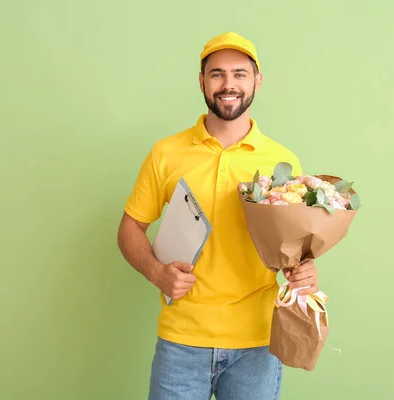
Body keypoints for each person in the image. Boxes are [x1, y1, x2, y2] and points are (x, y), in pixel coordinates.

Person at [117, 32, 319, 400]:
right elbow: (130, 226)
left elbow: (293, 248)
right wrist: (156, 272)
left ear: (257, 81)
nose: (229, 85)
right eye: (217, 74)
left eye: (240, 74)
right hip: (181, 340)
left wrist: (303, 270)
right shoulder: (166, 153)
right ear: (202, 81)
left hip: (257, 344)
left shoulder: (282, 162)